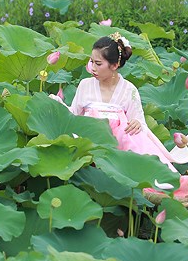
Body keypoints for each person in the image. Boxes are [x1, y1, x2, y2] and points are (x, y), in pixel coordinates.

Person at [66, 33, 178, 170]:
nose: (92, 68)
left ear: (114, 65)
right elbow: (72, 115)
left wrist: (137, 123)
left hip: (120, 152)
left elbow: (139, 122)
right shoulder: (85, 85)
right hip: (87, 149)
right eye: (92, 62)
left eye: (98, 63)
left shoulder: (129, 90)